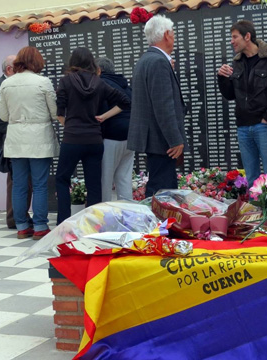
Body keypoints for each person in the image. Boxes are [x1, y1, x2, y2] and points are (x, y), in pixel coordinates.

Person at [55, 48, 131, 224]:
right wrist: (104, 116)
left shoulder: (65, 82)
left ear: (72, 62)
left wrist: (70, 125)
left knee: (62, 179)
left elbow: (59, 112)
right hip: (94, 140)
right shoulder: (99, 83)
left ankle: (63, 223)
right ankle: (95, 224)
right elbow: (125, 102)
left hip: (72, 139)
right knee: (94, 184)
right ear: (91, 63)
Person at [0, 46, 59, 240]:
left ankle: (22, 226)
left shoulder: (7, 84)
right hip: (39, 138)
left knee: (19, 185)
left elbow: (3, 115)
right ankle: (40, 226)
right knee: (40, 184)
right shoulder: (43, 82)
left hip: (16, 139)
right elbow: (54, 112)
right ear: (37, 62)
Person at [218, 20, 267, 186]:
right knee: (251, 177)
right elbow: (230, 95)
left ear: (247, 36)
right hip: (243, 127)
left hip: (264, 126)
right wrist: (222, 78)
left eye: (235, 37)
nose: (231, 41)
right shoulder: (237, 63)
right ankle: (256, 210)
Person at [127, 15, 187, 197]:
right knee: (163, 193)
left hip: (153, 138)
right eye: (173, 33)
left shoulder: (148, 59)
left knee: (159, 188)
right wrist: (175, 139)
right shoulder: (159, 62)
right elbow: (163, 106)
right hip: (162, 141)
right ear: (167, 34)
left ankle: (157, 224)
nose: (174, 37)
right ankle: (159, 226)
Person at [0, 55, 31, 229]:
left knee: (24, 180)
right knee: (17, 180)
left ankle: (20, 215)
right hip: (10, 140)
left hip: (18, 139)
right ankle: (14, 218)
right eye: (19, 66)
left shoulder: (12, 86)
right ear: (9, 69)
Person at [96, 57, 135, 202]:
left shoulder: (101, 84)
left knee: (105, 180)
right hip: (130, 136)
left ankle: (104, 216)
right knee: (124, 178)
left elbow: (101, 109)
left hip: (111, 136)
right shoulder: (125, 85)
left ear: (99, 70)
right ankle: (128, 213)